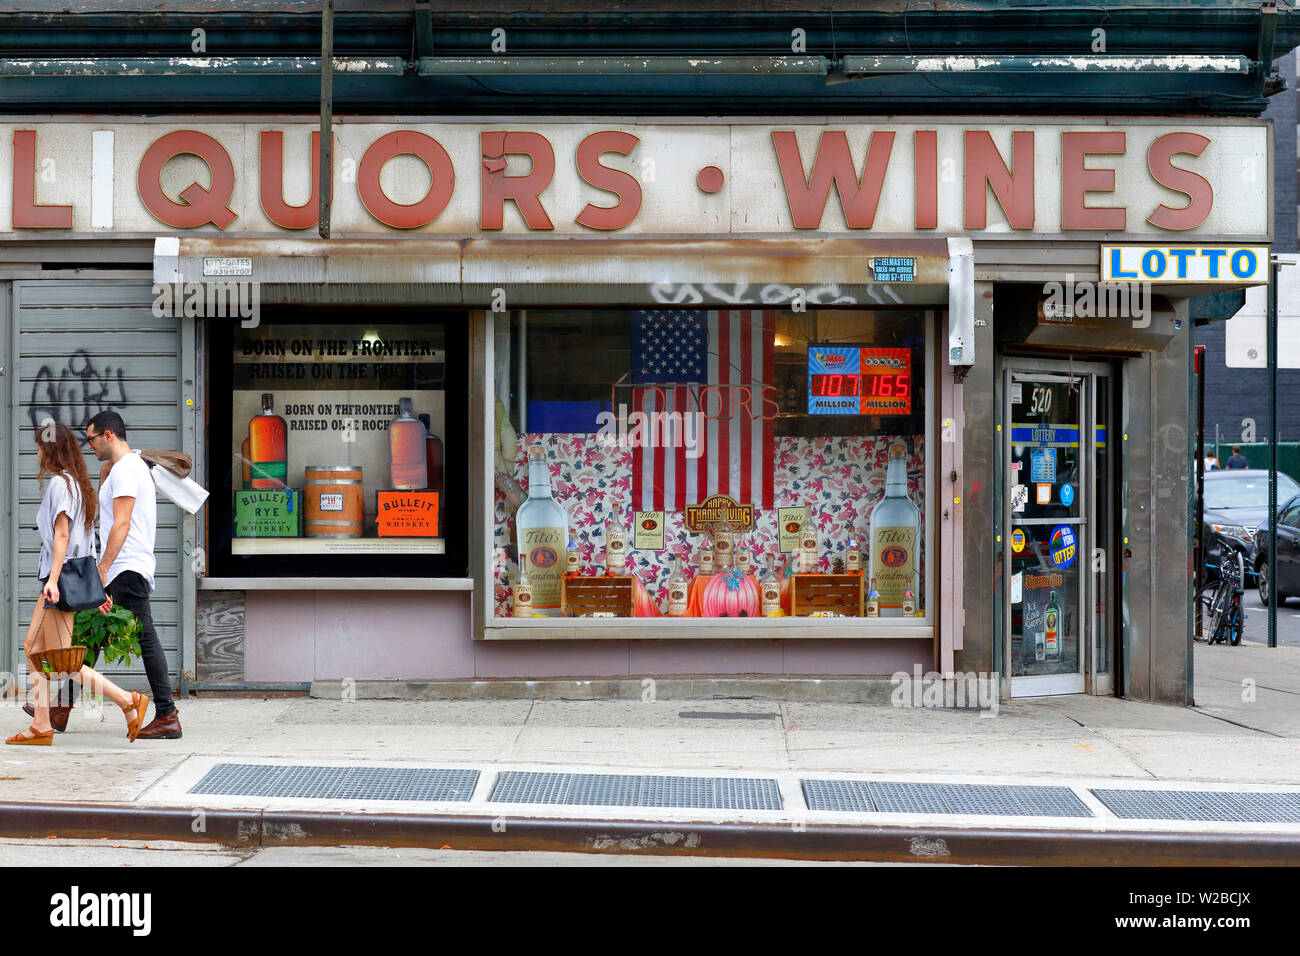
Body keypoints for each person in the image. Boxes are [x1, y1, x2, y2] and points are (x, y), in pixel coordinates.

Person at [9, 422, 148, 745]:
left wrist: (54, 580)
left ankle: (128, 700)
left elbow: (62, 536)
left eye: (42, 446)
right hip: (70, 578)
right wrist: (93, 591)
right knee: (37, 649)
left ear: (52, 450)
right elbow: (86, 545)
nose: (38, 452)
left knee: (56, 657)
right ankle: (41, 724)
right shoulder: (79, 484)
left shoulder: (61, 484)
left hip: (59, 579)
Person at [86, 411, 182, 739]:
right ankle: (60, 707)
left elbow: (122, 523)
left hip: (125, 568)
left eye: (92, 439)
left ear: (108, 435)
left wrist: (102, 569)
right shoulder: (123, 469)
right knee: (92, 633)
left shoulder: (127, 469)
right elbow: (110, 514)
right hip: (126, 567)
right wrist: (104, 476)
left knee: (143, 636)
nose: (90, 446)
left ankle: (167, 714)